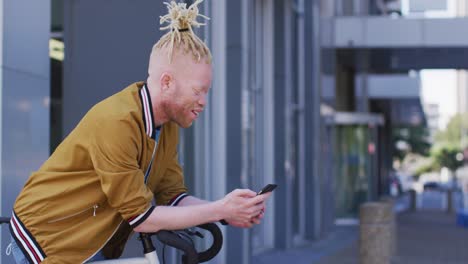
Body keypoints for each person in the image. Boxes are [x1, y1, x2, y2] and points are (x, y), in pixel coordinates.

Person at [8, 1, 272, 263]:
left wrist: (228, 212)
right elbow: (142, 218)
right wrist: (218, 210)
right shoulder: (117, 122)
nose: (204, 101)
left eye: (207, 91)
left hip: (89, 238)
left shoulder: (167, 126)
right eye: (198, 90)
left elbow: (174, 196)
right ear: (167, 82)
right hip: (48, 236)